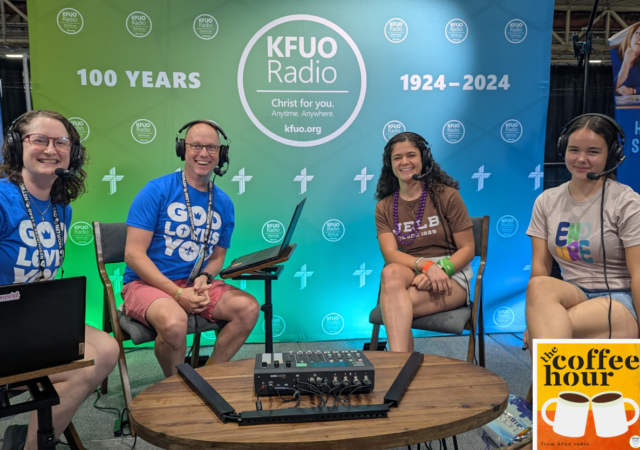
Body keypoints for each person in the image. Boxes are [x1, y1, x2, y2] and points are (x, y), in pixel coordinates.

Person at [0, 110, 118, 450]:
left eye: (61, 142)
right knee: (81, 368)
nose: (51, 149)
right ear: (16, 146)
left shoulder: (60, 208)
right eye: (39, 139)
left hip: (31, 319)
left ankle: (36, 434)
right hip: (5, 322)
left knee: (108, 349)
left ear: (73, 154)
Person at [122, 120, 260, 378]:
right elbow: (133, 254)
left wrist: (205, 276)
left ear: (221, 154)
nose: (203, 153)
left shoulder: (224, 203)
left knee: (248, 308)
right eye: (196, 146)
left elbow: (218, 257)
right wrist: (176, 293)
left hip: (194, 285)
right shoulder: (156, 191)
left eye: (211, 147)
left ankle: (207, 378)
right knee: (175, 322)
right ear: (182, 149)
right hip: (145, 284)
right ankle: (176, 386)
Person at [524, 114, 640, 348]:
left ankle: (543, 374)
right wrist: (533, 316)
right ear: (563, 150)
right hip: (572, 293)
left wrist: (537, 325)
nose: (581, 159)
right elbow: (540, 268)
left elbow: (638, 272)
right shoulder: (546, 201)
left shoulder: (627, 202)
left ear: (612, 155)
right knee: (538, 286)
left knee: (546, 333)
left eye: (593, 152)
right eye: (574, 150)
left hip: (619, 299)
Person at [373, 132, 475, 353]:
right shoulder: (384, 206)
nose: (405, 162)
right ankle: (402, 363)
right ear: (389, 164)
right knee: (390, 272)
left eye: (411, 155)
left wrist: (441, 269)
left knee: (394, 307)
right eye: (397, 157)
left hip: (451, 273)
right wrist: (427, 267)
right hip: (414, 269)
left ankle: (398, 363)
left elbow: (468, 249)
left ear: (424, 159)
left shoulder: (446, 196)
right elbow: (390, 254)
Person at [614, 22, 640, 96]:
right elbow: (611, 86)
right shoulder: (614, 54)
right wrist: (626, 62)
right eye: (639, 34)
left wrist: (633, 90)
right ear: (630, 36)